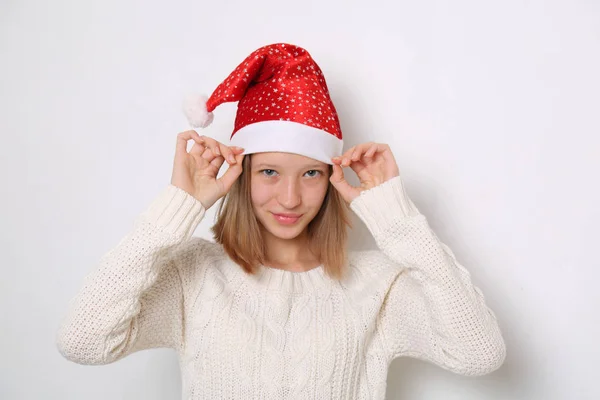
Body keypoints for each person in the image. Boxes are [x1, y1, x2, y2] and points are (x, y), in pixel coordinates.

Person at [56, 43, 506, 399]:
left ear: (332, 177)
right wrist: (179, 206)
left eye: (310, 173)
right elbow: (84, 341)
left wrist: (398, 218)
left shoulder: (378, 284)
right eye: (269, 172)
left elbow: (478, 354)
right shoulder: (192, 274)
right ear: (240, 174)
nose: (289, 198)